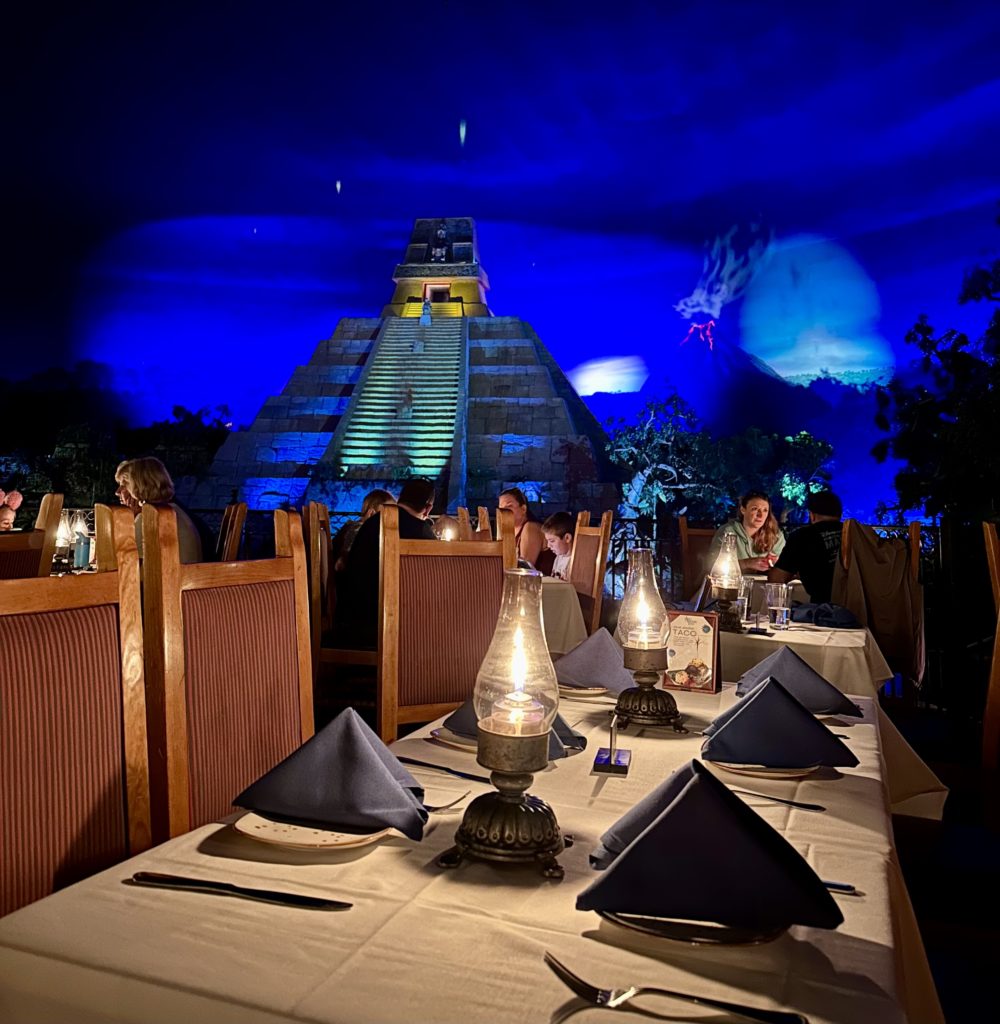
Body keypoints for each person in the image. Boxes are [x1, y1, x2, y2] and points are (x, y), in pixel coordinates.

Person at [334, 478, 438, 648]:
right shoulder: (423, 534)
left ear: (401, 498)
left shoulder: (371, 523)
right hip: (396, 630)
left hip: (353, 617)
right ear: (428, 509)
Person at [117, 457, 203, 564]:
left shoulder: (151, 517)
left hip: (172, 580)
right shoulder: (173, 510)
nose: (117, 492)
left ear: (141, 485)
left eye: (124, 485)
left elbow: (124, 563)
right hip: (188, 578)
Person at [768, 490, 843, 604]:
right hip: (863, 609)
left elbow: (777, 579)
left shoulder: (802, 537)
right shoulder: (855, 535)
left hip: (825, 611)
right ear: (839, 515)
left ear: (812, 515)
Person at [707, 490, 785, 573]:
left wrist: (776, 564)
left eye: (765, 510)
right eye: (755, 509)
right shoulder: (728, 532)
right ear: (743, 510)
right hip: (734, 583)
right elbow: (713, 565)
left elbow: (786, 568)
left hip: (765, 584)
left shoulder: (776, 535)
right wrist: (746, 563)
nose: (760, 515)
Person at [331, 489, 393, 573]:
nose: (392, 518)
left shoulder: (351, 527)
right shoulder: (358, 531)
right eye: (388, 512)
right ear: (371, 513)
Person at [498, 487, 546, 568]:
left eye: (509, 507)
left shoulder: (530, 527)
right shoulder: (509, 531)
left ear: (523, 509)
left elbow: (525, 567)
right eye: (501, 508)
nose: (503, 511)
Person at [542, 511, 575, 579]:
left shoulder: (575, 562)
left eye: (552, 541)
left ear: (567, 538)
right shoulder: (558, 557)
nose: (548, 545)